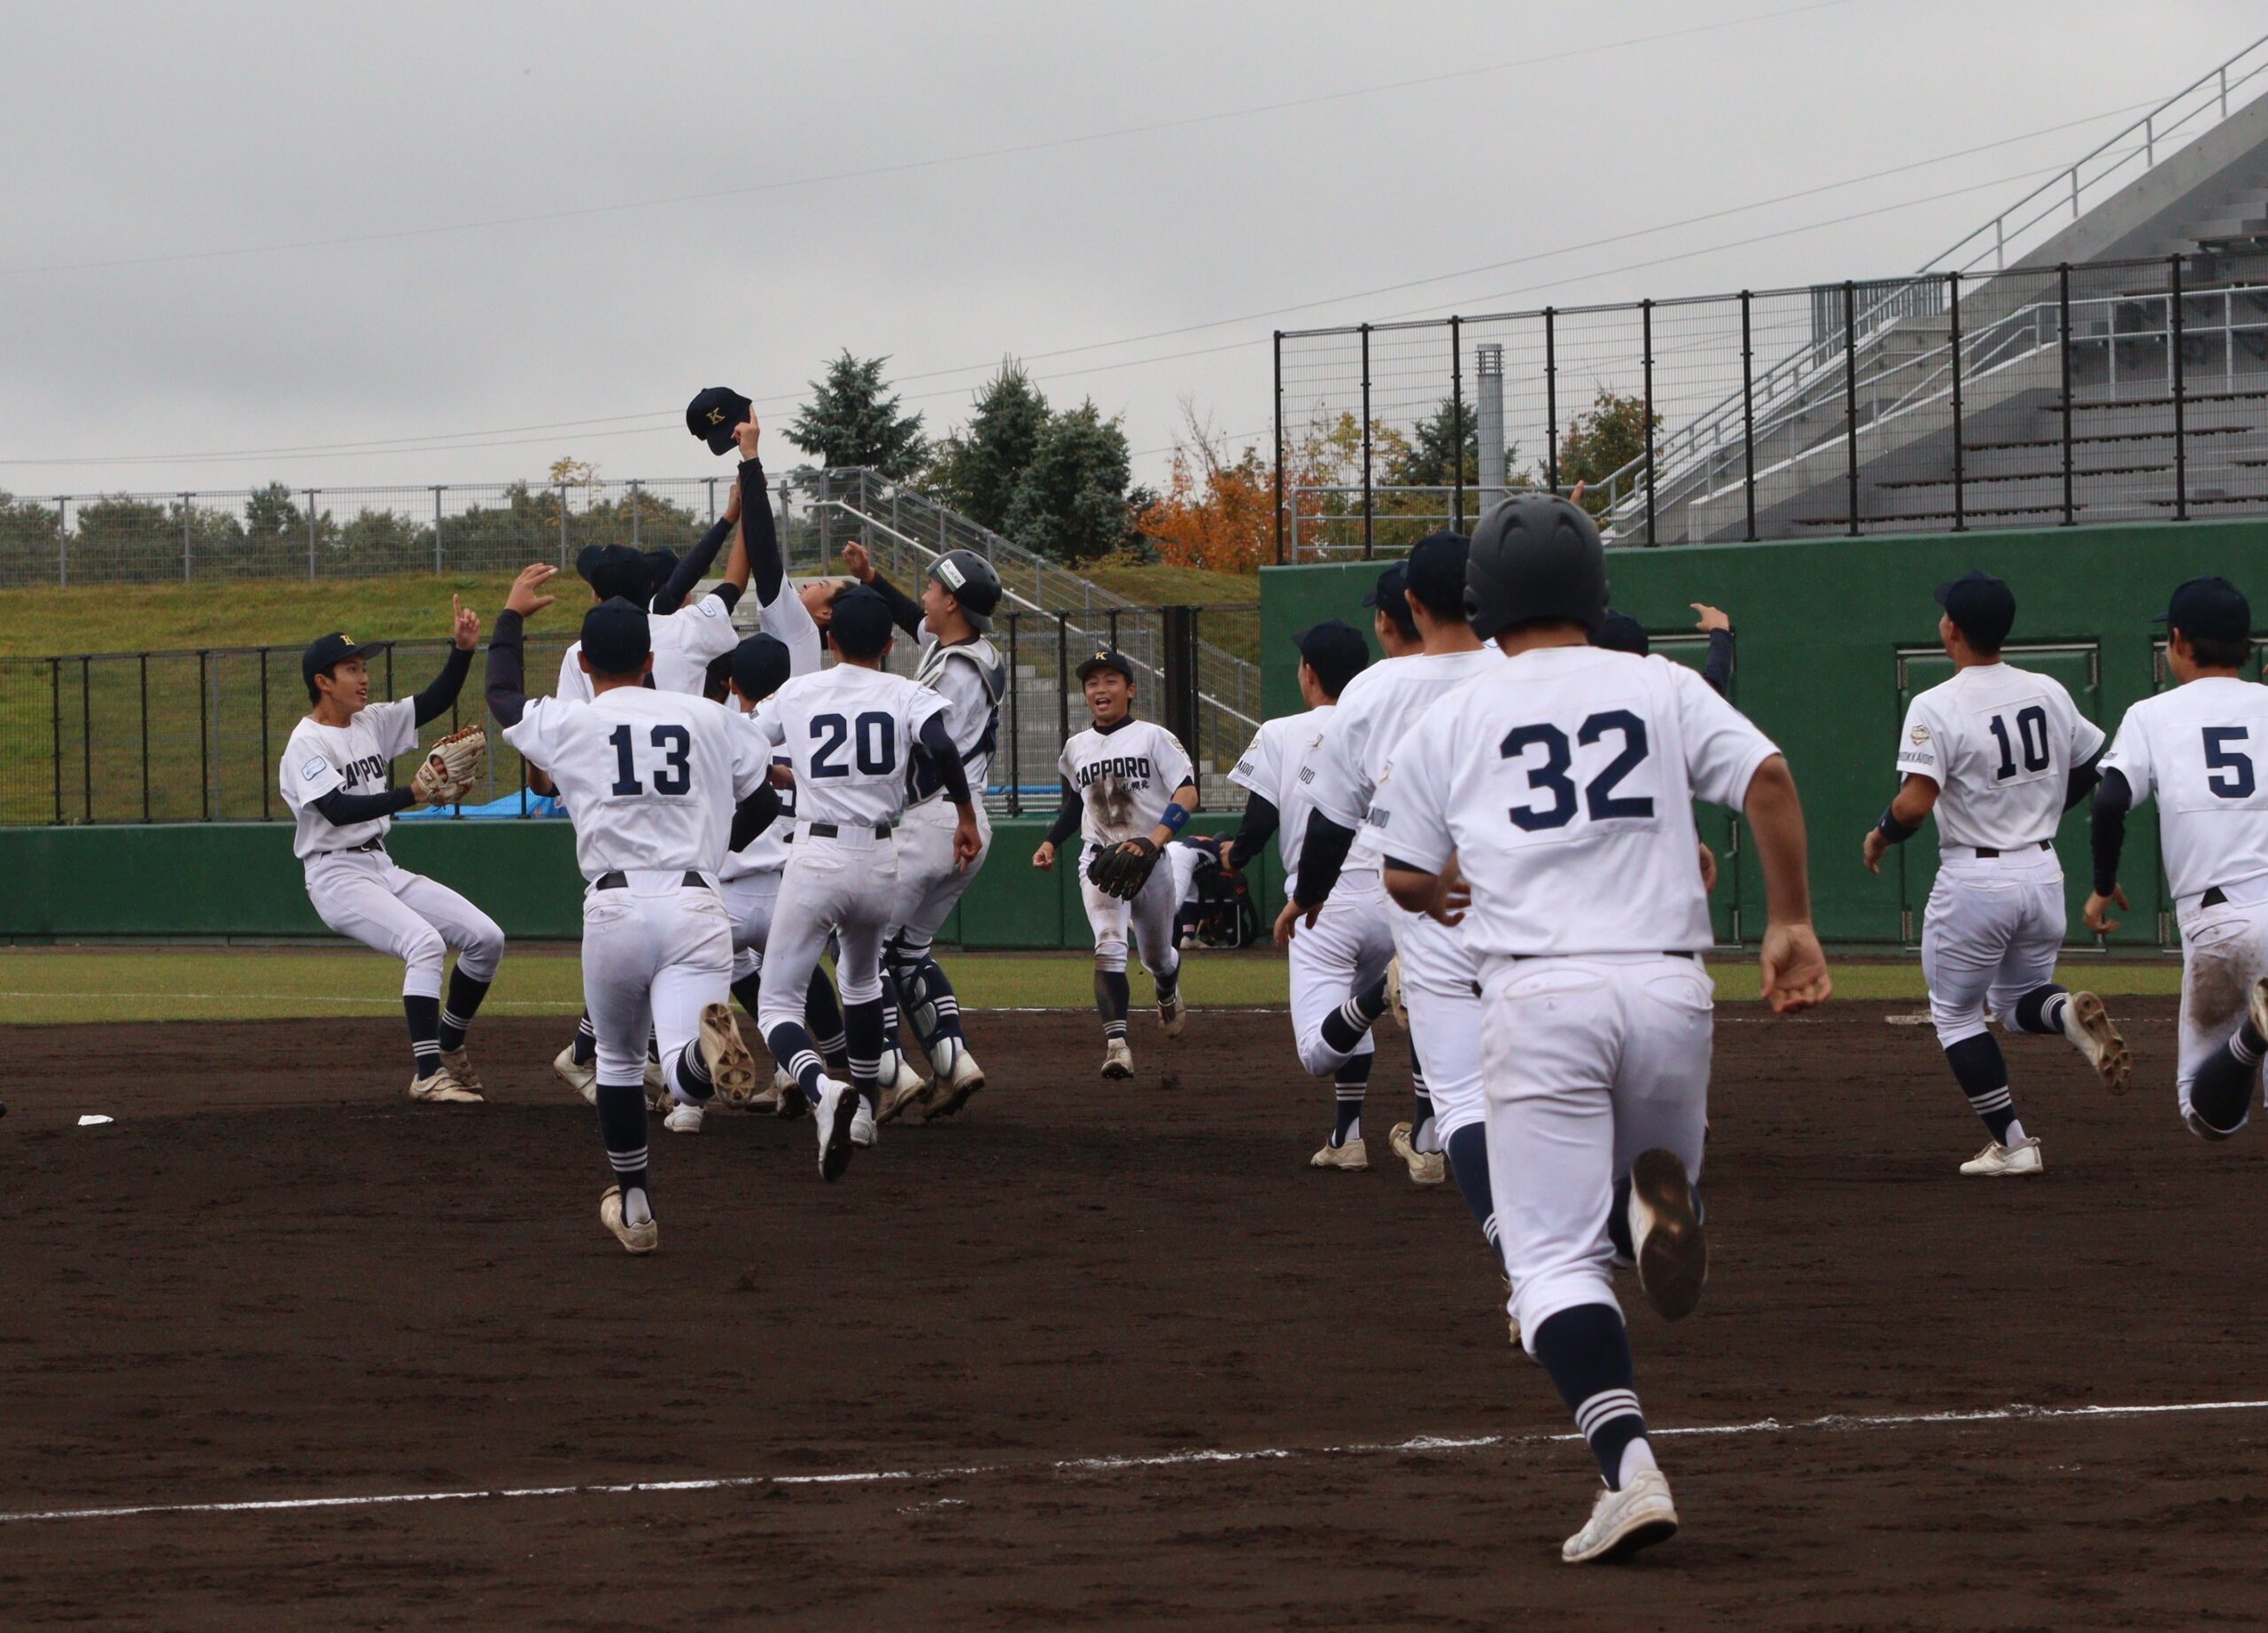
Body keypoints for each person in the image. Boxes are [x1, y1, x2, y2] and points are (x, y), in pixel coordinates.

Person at [1379, 492, 1830, 1564]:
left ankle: (1628, 1471)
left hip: (1539, 992)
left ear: (1481, 601)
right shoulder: (1661, 682)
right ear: (1598, 592)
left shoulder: (1453, 714)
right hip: (1670, 986)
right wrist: (1790, 921)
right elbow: (1766, 777)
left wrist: (1434, 888)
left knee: (1544, 1264)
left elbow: (1399, 868)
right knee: (1637, 1184)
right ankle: (1650, 1206)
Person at [486, 565, 773, 1253]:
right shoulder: (709, 716)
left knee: (615, 1061)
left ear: (583, 664)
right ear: (650, 660)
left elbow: (500, 694)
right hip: (696, 897)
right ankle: (704, 1062)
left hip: (614, 904)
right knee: (677, 1060)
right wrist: (713, 843)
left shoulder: (570, 719)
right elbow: (764, 793)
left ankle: (638, 1210)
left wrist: (510, 616)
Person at [1863, 572, 2126, 1176]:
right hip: (2042, 871)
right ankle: (2066, 1015)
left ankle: (2012, 1143)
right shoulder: (2047, 689)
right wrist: (2040, 809)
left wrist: (1879, 834)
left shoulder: (1937, 702)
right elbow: (2095, 765)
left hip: (1976, 879)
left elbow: (1913, 804)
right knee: (2016, 1002)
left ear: (1952, 629)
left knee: (1956, 1015)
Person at [548, 425, 757, 1102]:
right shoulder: (685, 628)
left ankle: (610, 1059)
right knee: (688, 940)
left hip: (606, 813)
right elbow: (725, 581)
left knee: (630, 943)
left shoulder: (579, 654)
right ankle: (669, 1062)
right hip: (683, 812)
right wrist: (744, 508)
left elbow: (548, 756)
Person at [751, 587, 982, 1180]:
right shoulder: (907, 690)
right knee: (859, 980)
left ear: (830, 641)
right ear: (888, 644)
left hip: (818, 851)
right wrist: (962, 814)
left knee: (777, 1000)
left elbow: (746, 746)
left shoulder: (800, 690)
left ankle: (822, 1090)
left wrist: (784, 770)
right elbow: (941, 747)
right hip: (880, 855)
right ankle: (864, 1115)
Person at [1278, 547, 1475, 1178]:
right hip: (1520, 895)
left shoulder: (1371, 691)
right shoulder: (1518, 670)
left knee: (1461, 1085)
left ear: (1402, 614)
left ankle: (1520, 1247)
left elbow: (1333, 818)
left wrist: (1306, 895)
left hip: (1421, 893)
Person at [279, 606, 503, 1104]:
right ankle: (427, 1075)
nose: (364, 677)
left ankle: (448, 1045)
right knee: (424, 944)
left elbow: (434, 700)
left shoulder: (371, 721)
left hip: (380, 864)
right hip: (335, 874)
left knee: (486, 938)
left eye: (363, 666)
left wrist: (462, 651)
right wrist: (413, 794)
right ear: (323, 681)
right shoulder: (306, 743)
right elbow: (335, 809)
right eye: (352, 669)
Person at [2088, 576, 2268, 1140]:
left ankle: (2252, 1039)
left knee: (2206, 1115)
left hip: (2218, 922)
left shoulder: (2152, 714)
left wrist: (2102, 883)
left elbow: (2111, 799)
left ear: (2178, 640)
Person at [839, 540, 1007, 1121]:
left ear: (954, 601)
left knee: (860, 949)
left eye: (934, 587)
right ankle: (954, 1062)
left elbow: (932, 748)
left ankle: (892, 1073)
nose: (926, 596)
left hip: (938, 815)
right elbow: (919, 622)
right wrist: (872, 577)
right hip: (968, 817)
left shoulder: (956, 669)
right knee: (909, 950)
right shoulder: (973, 651)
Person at [1034, 649, 1200, 1080]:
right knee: (1109, 943)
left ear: (1131, 689)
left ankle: (1167, 989)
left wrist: (1155, 840)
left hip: (1151, 860)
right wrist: (1052, 842)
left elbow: (1187, 793)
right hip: (1100, 860)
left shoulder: (1153, 737)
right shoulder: (1076, 747)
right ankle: (1117, 1046)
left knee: (1158, 957)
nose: (1100, 689)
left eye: (1111, 680)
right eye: (1092, 682)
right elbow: (1076, 805)